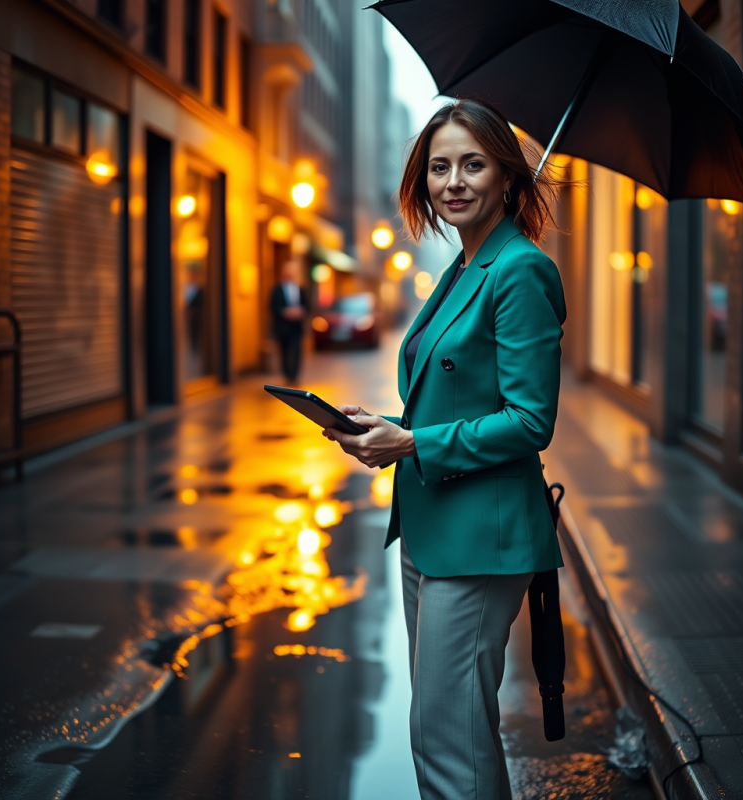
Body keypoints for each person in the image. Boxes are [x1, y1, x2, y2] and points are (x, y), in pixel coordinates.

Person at [322, 98, 567, 800]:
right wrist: (385, 425)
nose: (453, 181)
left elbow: (529, 421)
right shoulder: (463, 268)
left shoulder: (518, 270)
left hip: (480, 537)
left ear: (507, 179)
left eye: (472, 164)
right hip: (431, 530)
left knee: (450, 740)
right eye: (439, 167)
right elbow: (455, 396)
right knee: (440, 734)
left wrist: (414, 441)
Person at [270, 259, 310, 384]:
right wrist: (285, 312)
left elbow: (307, 306)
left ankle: (294, 375)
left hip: (296, 327)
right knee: (284, 351)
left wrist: (301, 312)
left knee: (297, 350)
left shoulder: (300, 289)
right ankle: (287, 374)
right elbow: (272, 307)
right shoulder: (276, 289)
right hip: (282, 327)